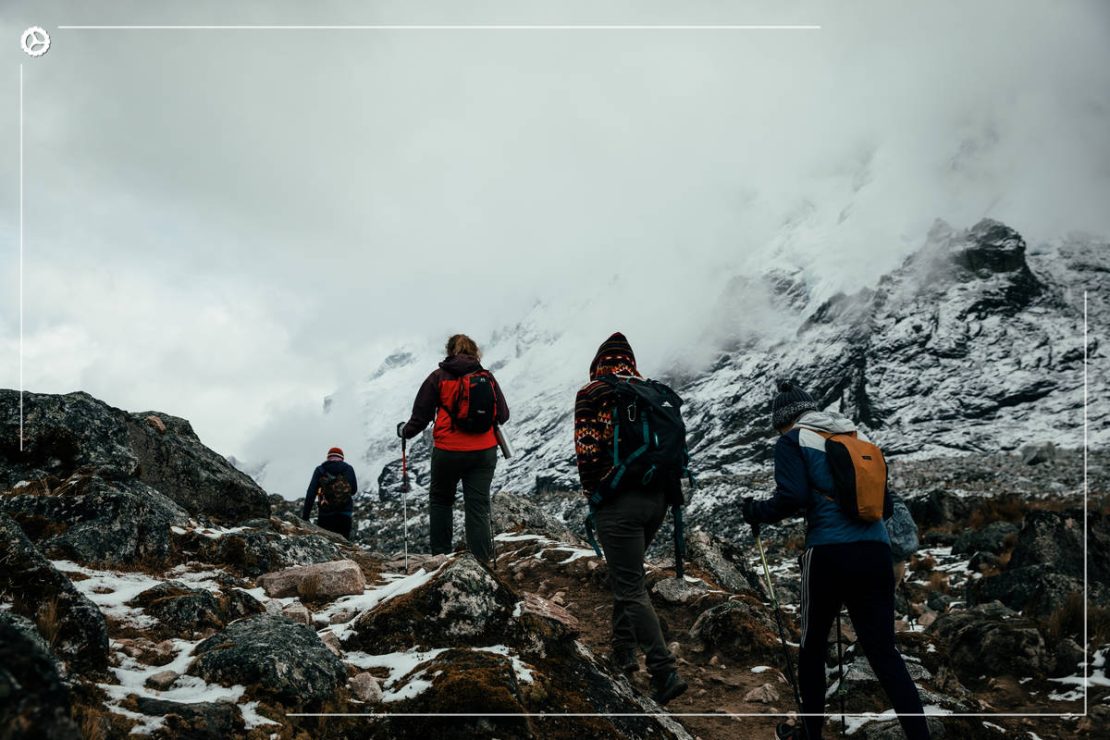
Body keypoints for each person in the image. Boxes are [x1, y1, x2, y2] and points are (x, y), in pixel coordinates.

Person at [741, 381, 930, 740]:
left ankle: (811, 733)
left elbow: (791, 497)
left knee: (812, 647)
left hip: (828, 554)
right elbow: (885, 505)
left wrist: (755, 511)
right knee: (884, 653)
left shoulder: (791, 441)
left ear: (785, 420)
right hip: (876, 553)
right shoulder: (857, 441)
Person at [573, 332, 688, 706]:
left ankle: (663, 670)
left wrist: (596, 496)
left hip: (619, 502)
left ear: (599, 362)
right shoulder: (651, 392)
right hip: (658, 500)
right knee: (630, 575)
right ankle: (623, 652)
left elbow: (588, 452)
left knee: (630, 586)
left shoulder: (593, 393)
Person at [397, 334, 509, 564]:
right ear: (475, 352)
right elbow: (503, 415)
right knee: (477, 505)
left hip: (448, 450)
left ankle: (441, 557)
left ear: (449, 351)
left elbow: (421, 417)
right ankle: (482, 561)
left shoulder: (437, 377)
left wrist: (404, 431)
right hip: (484, 450)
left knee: (441, 500)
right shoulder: (487, 377)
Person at [302, 446, 357, 540]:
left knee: (326, 543)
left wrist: (305, 517)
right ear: (342, 458)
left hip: (326, 514)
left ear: (328, 457)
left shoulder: (320, 470)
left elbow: (311, 493)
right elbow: (354, 490)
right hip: (345, 513)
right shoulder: (348, 468)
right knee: (344, 546)